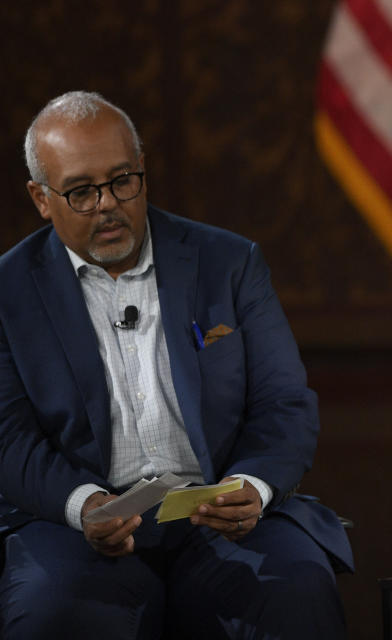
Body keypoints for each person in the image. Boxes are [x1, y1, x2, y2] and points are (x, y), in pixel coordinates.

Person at [0, 91, 353, 639]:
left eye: (122, 181)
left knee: (297, 592)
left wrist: (253, 486)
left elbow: (283, 402)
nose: (108, 205)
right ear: (41, 199)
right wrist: (85, 506)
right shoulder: (8, 291)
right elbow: (8, 438)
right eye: (81, 192)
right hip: (76, 525)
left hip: (218, 512)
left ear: (142, 170)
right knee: (54, 613)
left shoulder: (228, 263)